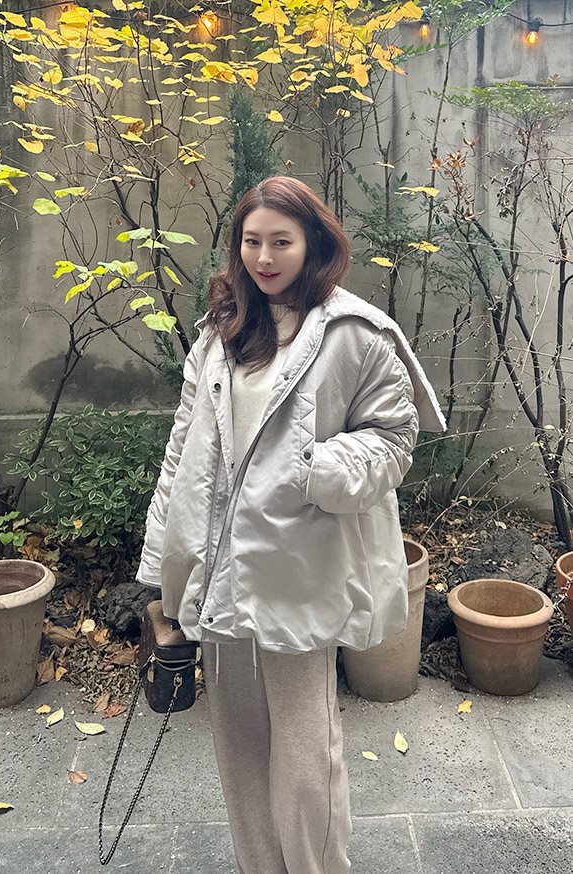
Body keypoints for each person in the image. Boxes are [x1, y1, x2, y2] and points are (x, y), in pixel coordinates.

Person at [136, 176, 445, 874]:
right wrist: (161, 569)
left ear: (314, 244)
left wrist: (311, 467)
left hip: (300, 566)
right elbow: (183, 449)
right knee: (238, 743)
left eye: (282, 241)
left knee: (307, 752)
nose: (265, 257)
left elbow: (394, 441)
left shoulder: (354, 334)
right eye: (252, 241)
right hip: (219, 569)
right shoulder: (222, 330)